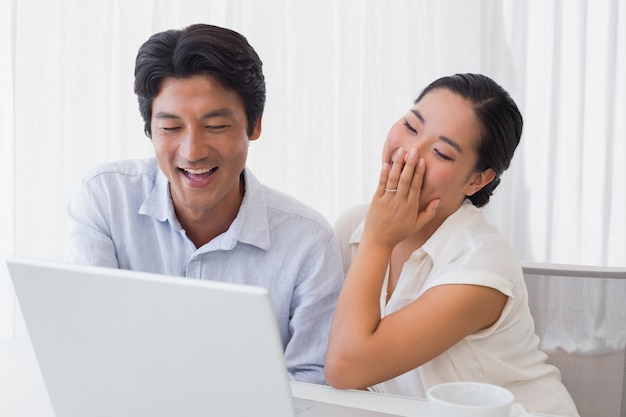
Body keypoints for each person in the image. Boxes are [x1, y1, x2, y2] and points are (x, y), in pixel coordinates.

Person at [65, 23, 344, 385]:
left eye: (215, 126)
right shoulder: (104, 199)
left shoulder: (309, 243)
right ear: (150, 128)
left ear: (254, 124)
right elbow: (87, 348)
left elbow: (311, 390)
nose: (193, 152)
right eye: (171, 128)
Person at [324, 73, 579, 416]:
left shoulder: (483, 261)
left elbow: (346, 368)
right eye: (411, 127)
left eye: (441, 153)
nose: (410, 153)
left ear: (477, 179)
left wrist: (378, 240)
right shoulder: (352, 227)